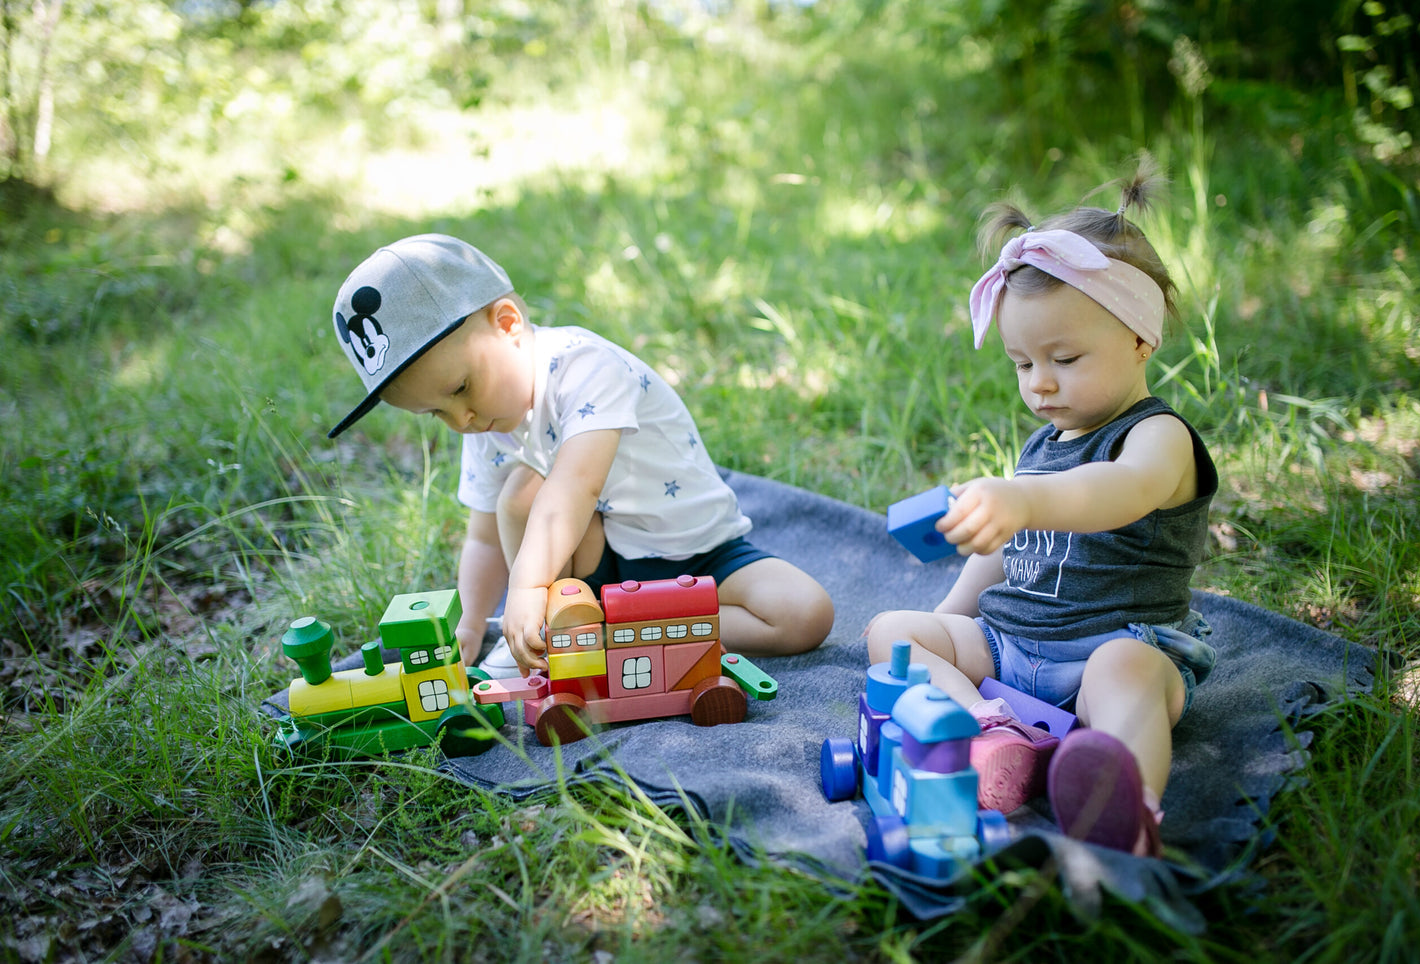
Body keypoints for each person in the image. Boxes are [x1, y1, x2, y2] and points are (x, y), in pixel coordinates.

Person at [865, 161, 1217, 857]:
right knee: (892, 634)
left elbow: (1114, 494)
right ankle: (990, 734)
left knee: (1127, 674)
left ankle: (1124, 803)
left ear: (1139, 339)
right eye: (1022, 364)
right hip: (1009, 649)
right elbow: (1002, 557)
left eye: (1064, 357)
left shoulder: (1156, 437)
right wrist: (947, 620)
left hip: (1112, 646)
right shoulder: (1041, 444)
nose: (1041, 383)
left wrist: (1020, 497)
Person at [326, 233, 834, 675]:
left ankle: (629, 629)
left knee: (805, 614)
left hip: (701, 553)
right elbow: (483, 538)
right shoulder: (482, 423)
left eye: (460, 388)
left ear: (507, 323)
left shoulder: (584, 366)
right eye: (435, 413)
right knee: (519, 493)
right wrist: (472, 622)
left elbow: (574, 488)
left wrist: (526, 589)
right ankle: (568, 626)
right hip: (603, 566)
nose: (463, 421)